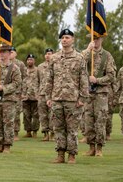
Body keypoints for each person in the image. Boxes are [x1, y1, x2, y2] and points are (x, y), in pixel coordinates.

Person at [46, 29, 88, 164]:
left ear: (73, 40)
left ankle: (72, 155)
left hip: (73, 100)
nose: (64, 40)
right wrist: (48, 96)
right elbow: (49, 79)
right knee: (58, 128)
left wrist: (82, 98)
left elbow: (84, 79)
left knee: (72, 129)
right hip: (57, 98)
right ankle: (60, 154)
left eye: (67, 37)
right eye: (62, 37)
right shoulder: (54, 58)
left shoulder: (79, 58)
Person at [81, 35, 116, 157]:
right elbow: (77, 66)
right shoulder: (85, 54)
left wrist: (97, 80)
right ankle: (91, 147)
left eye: (97, 38)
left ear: (102, 39)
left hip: (101, 93)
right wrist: (87, 50)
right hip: (87, 93)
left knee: (100, 120)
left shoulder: (107, 56)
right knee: (88, 121)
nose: (95, 40)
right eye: (93, 38)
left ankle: (99, 148)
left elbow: (111, 76)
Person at [0, 44, 22, 153]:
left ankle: (7, 145)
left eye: (4, 51)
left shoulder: (14, 68)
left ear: (9, 53)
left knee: (8, 122)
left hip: (8, 99)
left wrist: (3, 88)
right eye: (0, 51)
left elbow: (17, 83)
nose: (1, 53)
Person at [37, 48, 54, 141]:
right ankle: (45, 133)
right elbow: (38, 81)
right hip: (42, 93)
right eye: (47, 54)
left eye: (50, 53)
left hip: (52, 93)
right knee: (43, 114)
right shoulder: (40, 67)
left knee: (52, 114)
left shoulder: (56, 64)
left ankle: (52, 133)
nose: (48, 55)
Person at [22, 54, 40, 138]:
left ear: (34, 61)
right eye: (28, 59)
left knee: (36, 115)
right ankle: (28, 131)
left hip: (35, 96)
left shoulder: (38, 70)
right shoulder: (23, 71)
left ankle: (35, 131)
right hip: (25, 96)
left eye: (31, 59)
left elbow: (41, 81)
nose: (30, 61)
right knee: (26, 115)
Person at [10, 46, 26, 141]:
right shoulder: (3, 62)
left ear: (16, 54)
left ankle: (15, 133)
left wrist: (23, 91)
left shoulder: (20, 64)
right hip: (6, 92)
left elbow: (25, 78)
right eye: (9, 52)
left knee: (16, 113)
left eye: (12, 52)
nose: (11, 53)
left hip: (17, 93)